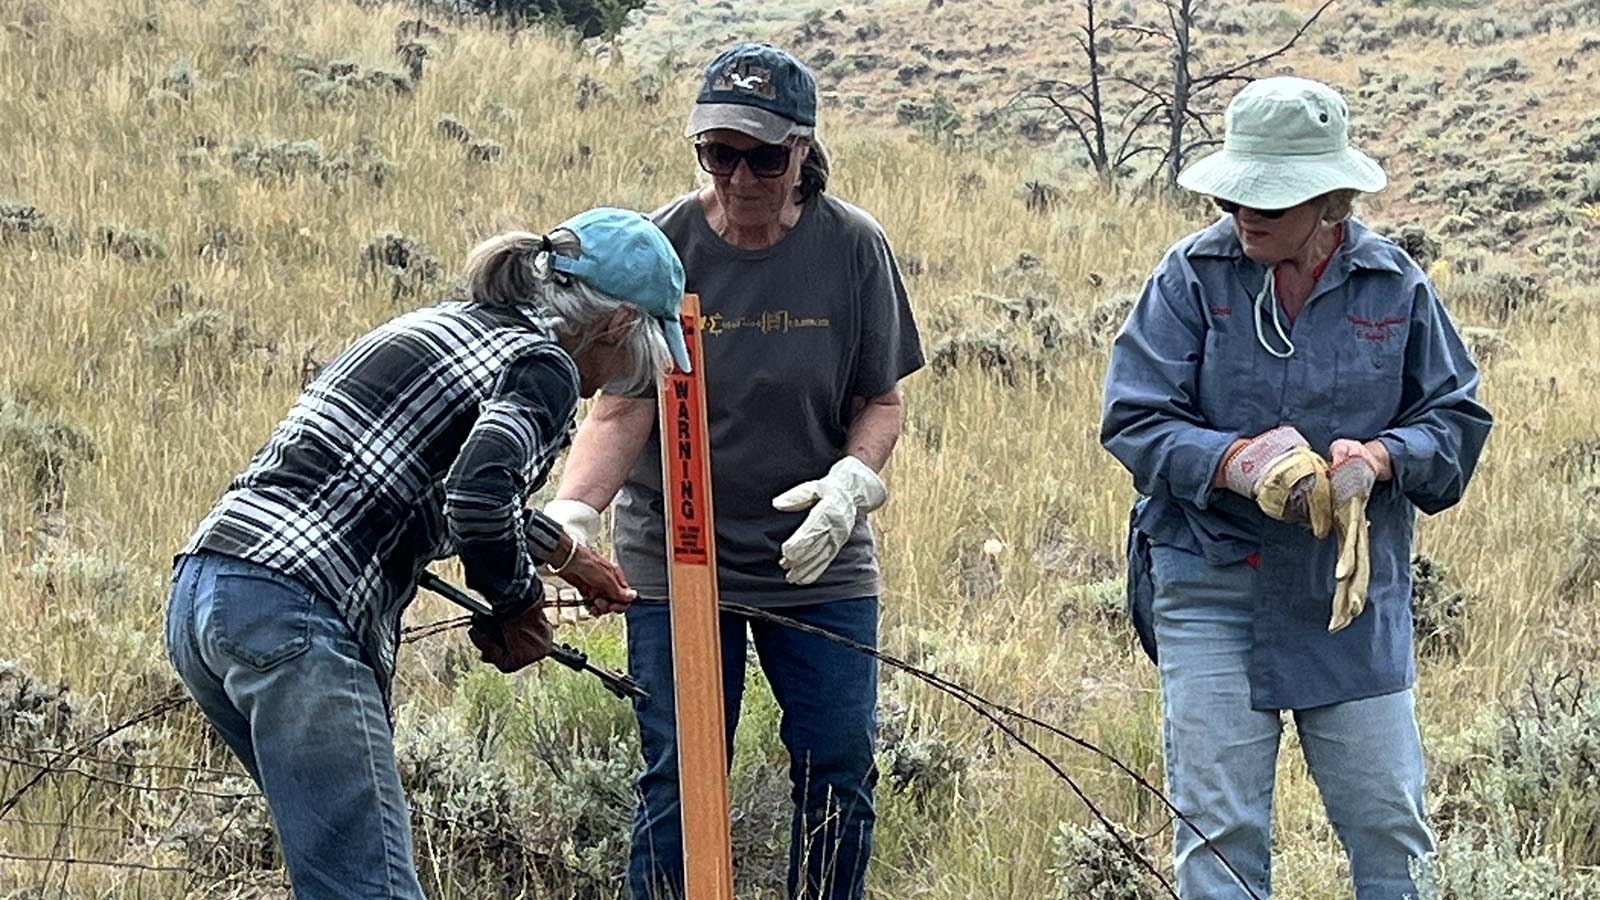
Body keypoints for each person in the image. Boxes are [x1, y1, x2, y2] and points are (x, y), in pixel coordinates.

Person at [164, 208, 687, 899]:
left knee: (336, 877)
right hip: (299, 619)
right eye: (636, 363)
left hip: (210, 595)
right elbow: (478, 496)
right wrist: (519, 606)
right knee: (369, 887)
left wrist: (566, 555)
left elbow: (439, 481)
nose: (610, 388)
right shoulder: (547, 368)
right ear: (618, 326)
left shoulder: (447, 325)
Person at [543, 43, 924, 900]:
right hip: (674, 552)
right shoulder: (663, 245)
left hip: (816, 557)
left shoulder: (853, 248)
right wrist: (573, 513)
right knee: (681, 774)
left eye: (763, 156)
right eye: (720, 154)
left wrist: (852, 482)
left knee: (839, 771)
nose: (741, 177)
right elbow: (623, 403)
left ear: (803, 151)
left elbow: (881, 400)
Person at [1100, 77, 1493, 899]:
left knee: (1389, 826)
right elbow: (1135, 419)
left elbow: (1456, 421)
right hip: (1209, 584)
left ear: (1331, 201)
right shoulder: (1190, 277)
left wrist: (1379, 461)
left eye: (1272, 198)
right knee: (1220, 836)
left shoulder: (1395, 286)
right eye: (1239, 192)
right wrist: (1237, 462)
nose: (1246, 213)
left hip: (1346, 599)